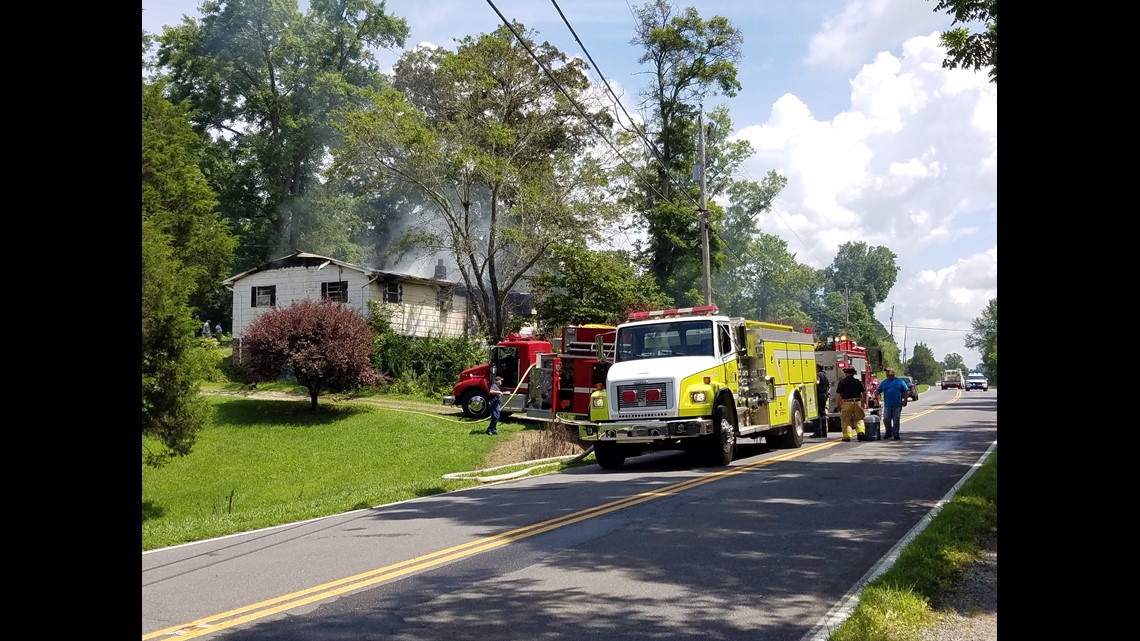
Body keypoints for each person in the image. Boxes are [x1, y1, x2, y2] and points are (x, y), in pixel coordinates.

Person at [874, 368, 911, 440]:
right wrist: (875, 394)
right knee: (886, 419)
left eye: (889, 373)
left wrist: (905, 400)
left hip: (897, 404)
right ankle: (888, 433)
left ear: (893, 374)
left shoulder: (900, 382)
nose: (887, 375)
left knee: (896, 420)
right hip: (887, 404)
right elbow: (878, 391)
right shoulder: (884, 382)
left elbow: (906, 391)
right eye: (887, 373)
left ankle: (896, 434)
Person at [835, 367, 866, 442]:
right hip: (857, 402)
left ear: (846, 373)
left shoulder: (842, 382)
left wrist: (837, 404)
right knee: (859, 418)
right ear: (853, 374)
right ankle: (861, 432)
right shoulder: (858, 382)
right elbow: (863, 393)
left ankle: (847, 436)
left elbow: (838, 394)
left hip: (847, 402)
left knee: (846, 419)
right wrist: (863, 403)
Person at [811, 364, 830, 438]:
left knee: (818, 413)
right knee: (823, 413)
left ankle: (819, 432)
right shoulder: (825, 375)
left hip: (820, 395)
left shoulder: (818, 374)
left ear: (818, 368)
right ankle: (824, 432)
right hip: (825, 394)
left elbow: (817, 382)